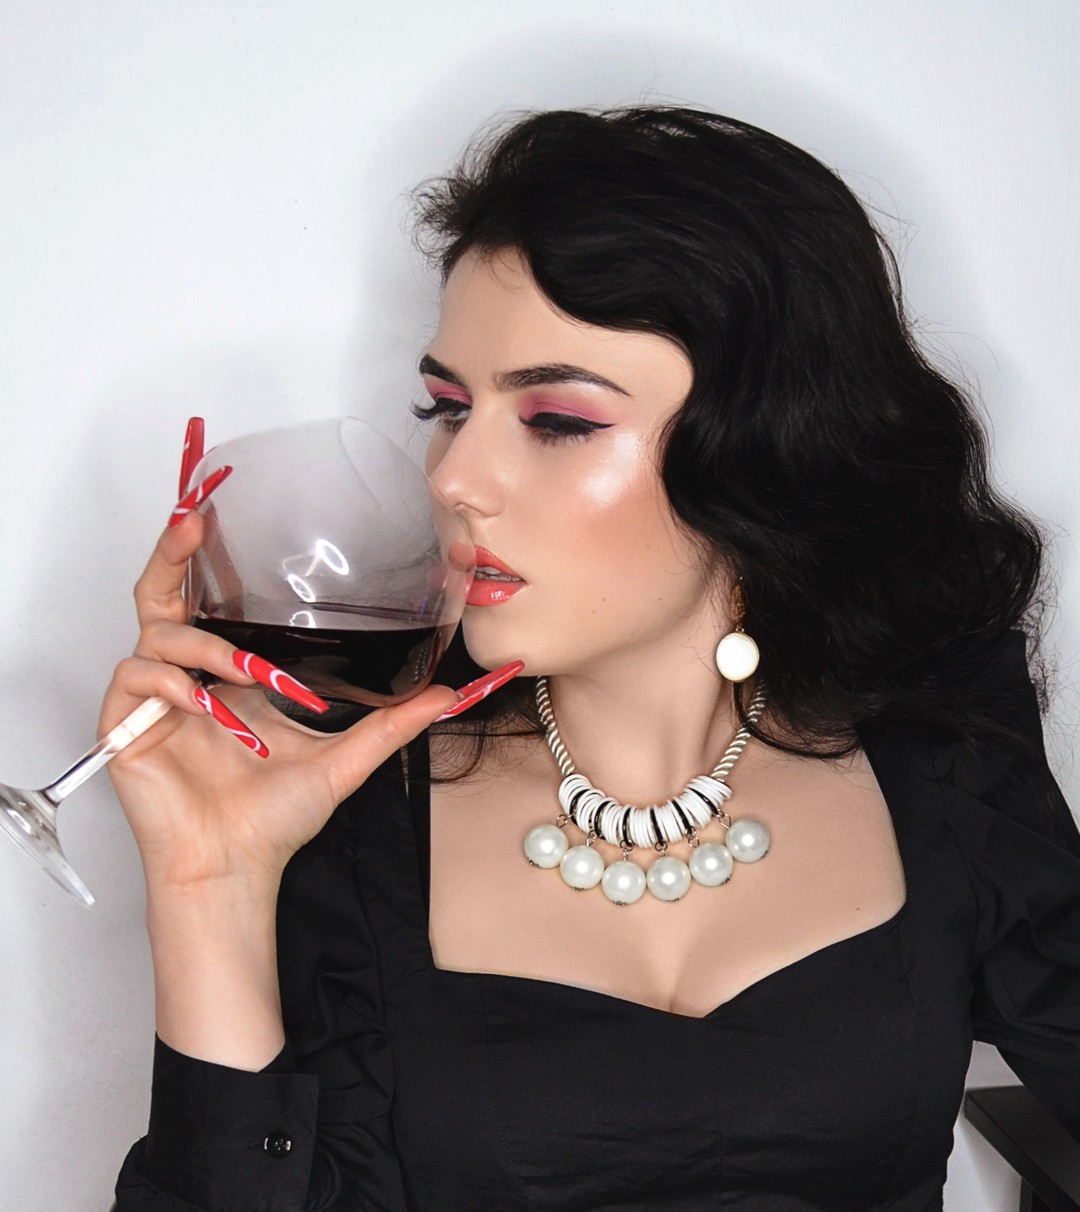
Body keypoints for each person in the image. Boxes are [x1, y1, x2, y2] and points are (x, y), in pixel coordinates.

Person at [110, 107, 1080, 1211]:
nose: (453, 478)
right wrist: (208, 887)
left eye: (558, 420)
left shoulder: (935, 737)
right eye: (448, 408)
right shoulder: (351, 786)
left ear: (765, 448)